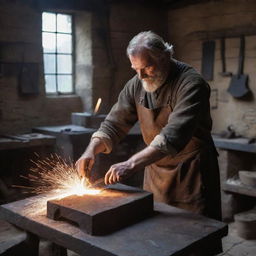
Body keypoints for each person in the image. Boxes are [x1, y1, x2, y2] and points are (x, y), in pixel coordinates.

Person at [76, 31, 221, 223]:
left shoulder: (191, 84)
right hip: (155, 170)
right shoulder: (136, 84)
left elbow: (171, 136)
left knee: (193, 236)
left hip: (191, 172)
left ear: (166, 57)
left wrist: (129, 164)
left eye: (147, 67)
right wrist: (91, 151)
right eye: (135, 69)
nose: (141, 75)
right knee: (157, 230)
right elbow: (114, 123)